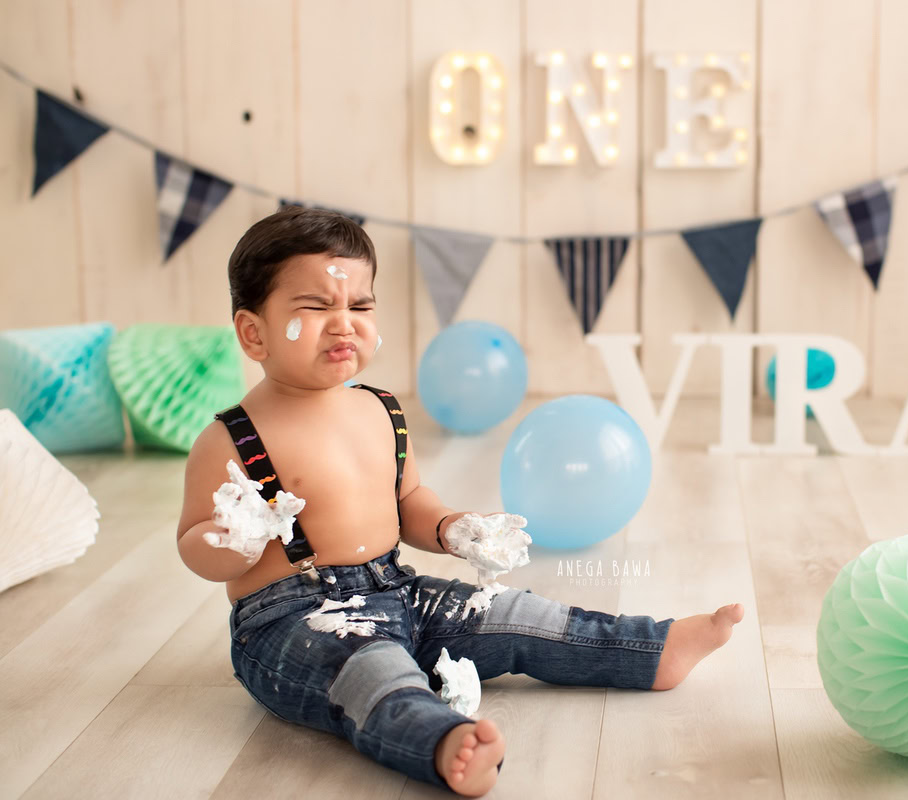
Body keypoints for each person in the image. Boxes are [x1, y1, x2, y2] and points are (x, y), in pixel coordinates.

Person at [175, 206, 744, 796]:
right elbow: (194, 542)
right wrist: (231, 541)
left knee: (514, 614)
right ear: (253, 332)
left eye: (360, 306)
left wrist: (451, 527)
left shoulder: (379, 409)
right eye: (316, 308)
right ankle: (443, 742)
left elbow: (409, 499)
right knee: (376, 673)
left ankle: (649, 648)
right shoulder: (233, 438)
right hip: (294, 620)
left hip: (395, 587)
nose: (344, 324)